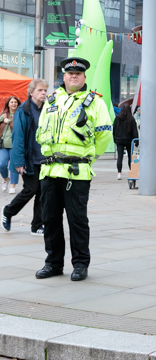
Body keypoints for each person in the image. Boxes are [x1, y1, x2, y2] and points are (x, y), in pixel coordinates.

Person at [35, 56, 112, 282]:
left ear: (84, 77)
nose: (74, 76)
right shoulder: (51, 101)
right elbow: (41, 130)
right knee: (50, 220)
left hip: (77, 172)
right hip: (49, 171)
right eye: (70, 73)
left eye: (78, 73)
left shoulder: (94, 102)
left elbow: (105, 135)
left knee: (77, 221)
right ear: (64, 76)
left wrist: (88, 158)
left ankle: (80, 264)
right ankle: (53, 263)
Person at [1, 79, 48, 235]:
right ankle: (8, 211)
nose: (43, 93)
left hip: (45, 158)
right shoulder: (24, 110)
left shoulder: (47, 109)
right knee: (31, 189)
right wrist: (19, 161)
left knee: (42, 191)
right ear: (31, 92)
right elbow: (18, 137)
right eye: (40, 90)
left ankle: (37, 226)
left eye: (45, 90)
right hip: (29, 158)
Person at [0, 96, 21, 195]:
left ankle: (13, 185)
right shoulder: (3, 114)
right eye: (11, 102)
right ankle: (5, 179)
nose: (13, 104)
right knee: (2, 164)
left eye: (15, 102)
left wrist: (7, 121)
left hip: (15, 144)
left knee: (13, 165)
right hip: (3, 144)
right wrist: (2, 118)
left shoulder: (20, 114)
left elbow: (16, 125)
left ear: (17, 104)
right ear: (8, 104)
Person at [113, 100, 138, 179]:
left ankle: (119, 173)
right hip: (128, 140)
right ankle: (131, 172)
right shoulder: (131, 119)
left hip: (119, 139)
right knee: (130, 156)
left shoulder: (117, 118)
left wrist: (115, 138)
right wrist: (136, 141)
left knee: (120, 156)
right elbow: (134, 131)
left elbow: (114, 129)